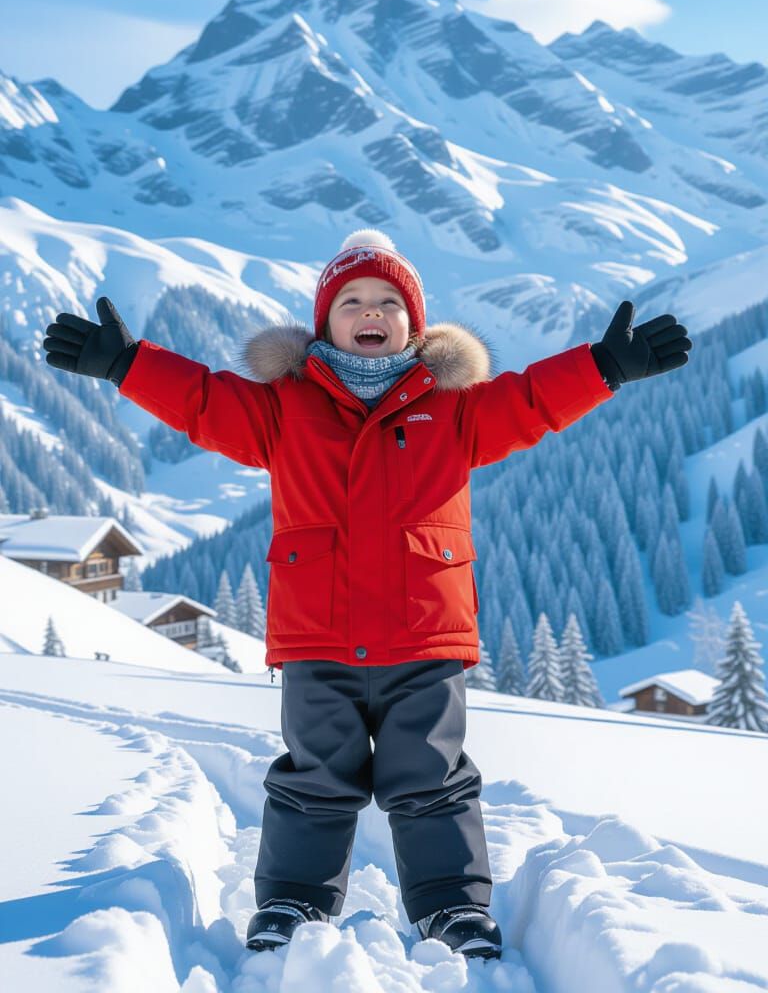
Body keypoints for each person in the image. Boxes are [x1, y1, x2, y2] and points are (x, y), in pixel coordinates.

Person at [43, 228, 692, 962]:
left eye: (388, 300)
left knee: (433, 782)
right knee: (315, 780)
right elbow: (201, 402)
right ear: (325, 323)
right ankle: (292, 901)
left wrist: (603, 365)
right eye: (351, 300)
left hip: (424, 635)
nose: (370, 310)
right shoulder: (282, 407)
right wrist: (128, 364)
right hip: (319, 635)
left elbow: (534, 402)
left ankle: (452, 907)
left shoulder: (456, 407)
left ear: (416, 325)